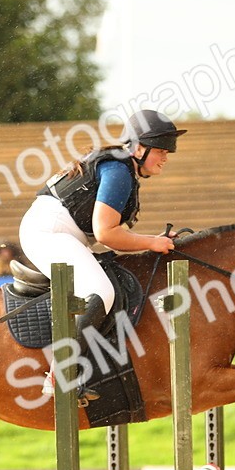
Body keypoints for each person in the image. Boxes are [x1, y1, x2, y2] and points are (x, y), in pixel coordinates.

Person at [19, 109, 183, 343]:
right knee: (102, 293)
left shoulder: (121, 167)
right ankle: (60, 374)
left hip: (58, 232)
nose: (166, 157)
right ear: (138, 148)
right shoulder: (119, 172)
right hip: (48, 232)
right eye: (160, 151)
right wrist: (152, 242)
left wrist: (153, 240)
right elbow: (105, 234)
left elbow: (112, 233)